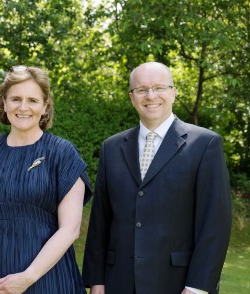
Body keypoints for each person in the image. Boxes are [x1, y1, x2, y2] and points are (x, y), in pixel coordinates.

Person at [82, 61, 232, 294]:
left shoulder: (205, 144)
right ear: (132, 97)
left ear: (173, 92)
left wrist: (197, 287)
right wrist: (96, 280)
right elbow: (100, 220)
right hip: (118, 282)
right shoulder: (111, 148)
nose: (150, 96)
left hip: (177, 283)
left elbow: (215, 224)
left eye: (159, 88)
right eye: (141, 90)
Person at [0, 66, 92, 294]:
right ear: (4, 102)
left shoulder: (63, 153)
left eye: (32, 100)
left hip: (47, 280)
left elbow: (70, 228)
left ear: (45, 105)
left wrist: (28, 277)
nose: (23, 107)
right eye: (15, 99)